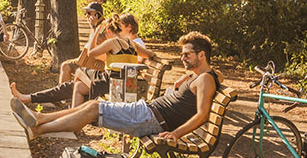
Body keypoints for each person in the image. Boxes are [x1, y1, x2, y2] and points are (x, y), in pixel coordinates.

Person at [12, 32, 219, 142]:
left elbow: (201, 115)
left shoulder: (205, 80)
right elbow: (215, 74)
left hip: (151, 118)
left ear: (202, 55)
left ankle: (38, 128)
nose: (182, 58)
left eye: (187, 55)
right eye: (182, 54)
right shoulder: (202, 75)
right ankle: (39, 120)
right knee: (92, 103)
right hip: (147, 111)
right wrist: (187, 76)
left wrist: (176, 134)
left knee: (93, 110)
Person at [12, 13, 156, 108]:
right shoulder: (132, 44)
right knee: (77, 86)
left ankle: (32, 99)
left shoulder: (113, 42)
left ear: (107, 31)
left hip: (110, 81)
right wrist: (154, 60)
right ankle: (65, 111)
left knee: (79, 73)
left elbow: (91, 53)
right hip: (120, 81)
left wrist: (94, 34)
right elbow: (149, 54)